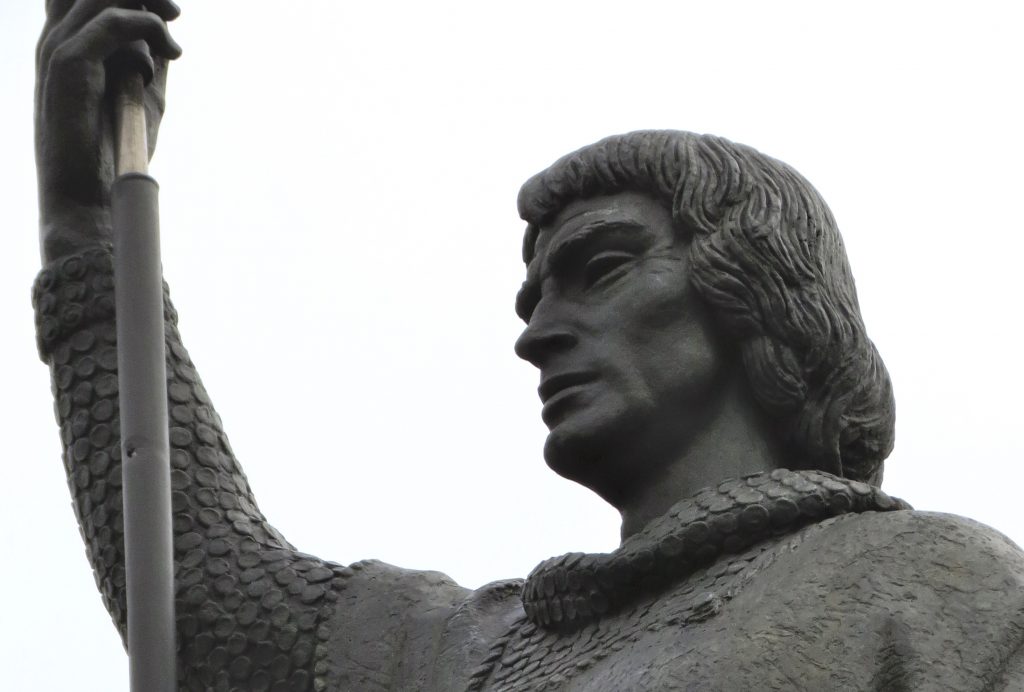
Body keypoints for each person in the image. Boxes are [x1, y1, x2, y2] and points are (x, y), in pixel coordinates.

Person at [33, 3, 1024, 690]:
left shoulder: (926, 585)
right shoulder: (462, 651)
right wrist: (85, 228)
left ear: (758, 292)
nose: (540, 332)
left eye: (602, 269)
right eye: (533, 295)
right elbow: (207, 603)